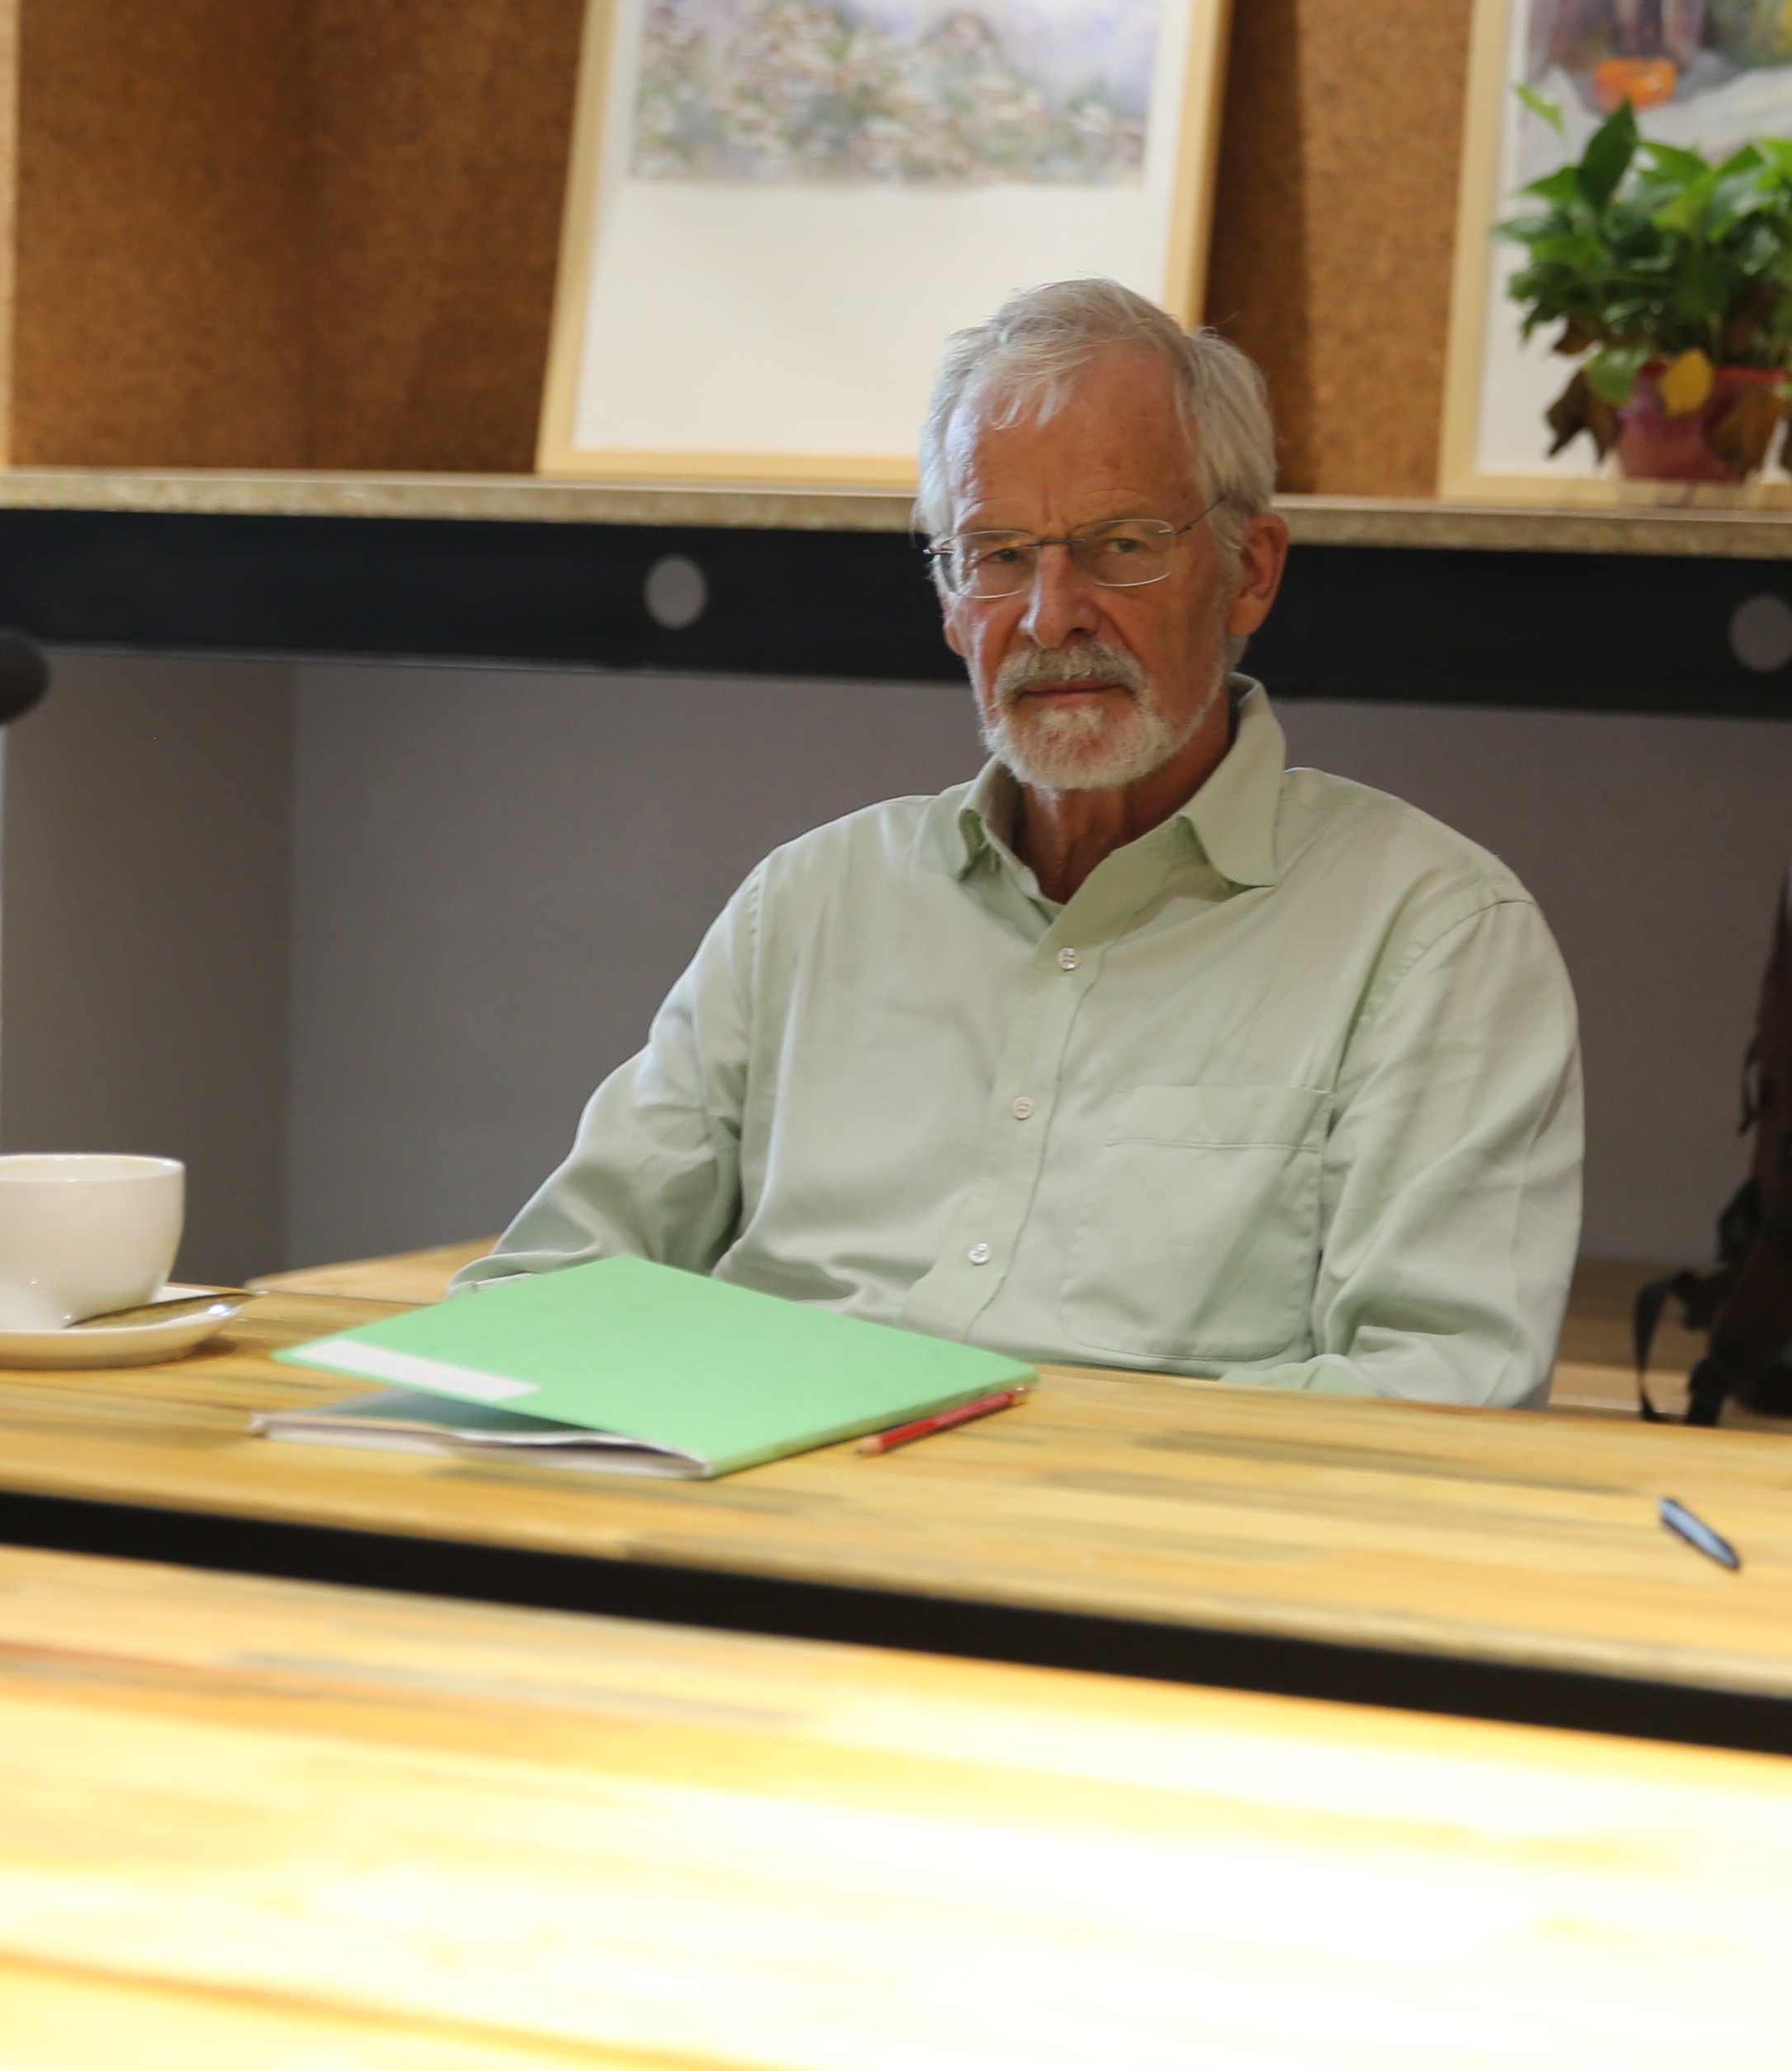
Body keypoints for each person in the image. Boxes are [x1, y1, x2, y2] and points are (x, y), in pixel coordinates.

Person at [467, 279, 1585, 1403]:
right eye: (997, 554)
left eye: (1121, 545)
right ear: (951, 602)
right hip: (762, 1484)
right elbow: (548, 1289)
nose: (1052, 615)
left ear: (1250, 571)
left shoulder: (1432, 938)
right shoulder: (806, 905)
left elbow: (1441, 1392)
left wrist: (1023, 1458)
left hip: (1137, 1516)